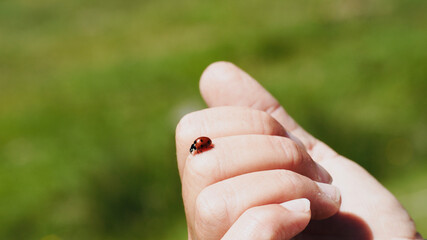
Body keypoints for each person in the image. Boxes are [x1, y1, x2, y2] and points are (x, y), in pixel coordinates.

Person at [175, 61, 423, 240]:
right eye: (199, 148)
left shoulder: (202, 145)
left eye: (198, 148)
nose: (199, 148)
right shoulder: (201, 144)